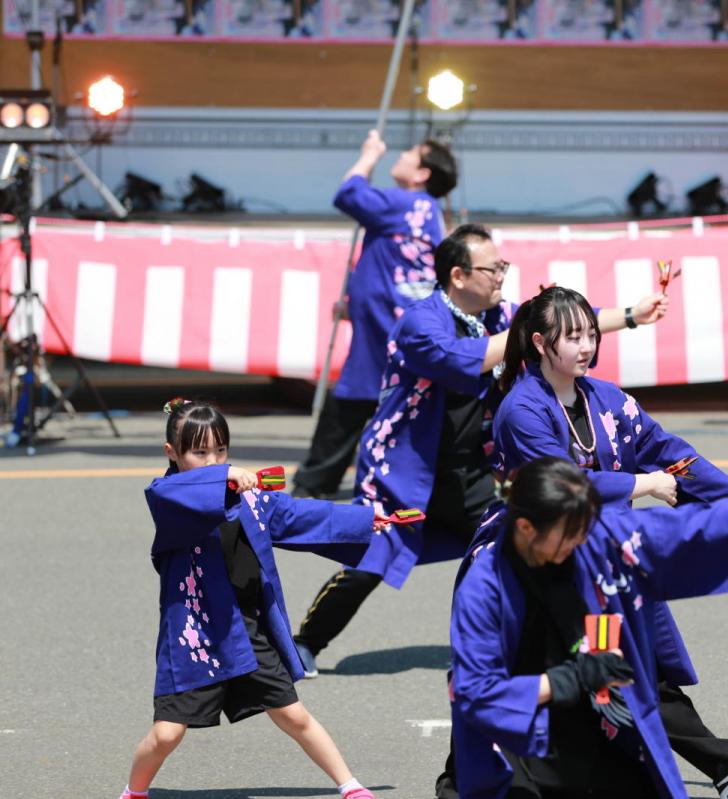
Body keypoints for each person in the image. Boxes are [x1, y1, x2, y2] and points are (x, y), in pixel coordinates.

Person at [293, 225, 669, 676]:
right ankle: (305, 642)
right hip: (405, 471)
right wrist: (527, 332)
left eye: (503, 267)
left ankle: (536, 645)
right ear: (458, 275)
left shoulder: (498, 316)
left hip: (471, 471)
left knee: (515, 544)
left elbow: (559, 325)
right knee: (374, 559)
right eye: (493, 268)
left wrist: (631, 314)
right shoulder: (420, 322)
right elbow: (462, 358)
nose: (501, 277)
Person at [492, 286, 728, 799]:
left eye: (590, 334)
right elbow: (559, 483)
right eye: (571, 336)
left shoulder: (605, 397)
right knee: (592, 669)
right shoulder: (522, 410)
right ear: (538, 342)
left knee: (620, 664)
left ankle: (722, 762)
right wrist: (642, 484)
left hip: (600, 557)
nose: (585, 346)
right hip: (540, 563)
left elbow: (668, 451)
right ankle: (722, 761)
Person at [450, 456, 728, 799]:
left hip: (602, 717)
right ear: (525, 529)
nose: (581, 539)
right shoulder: (484, 584)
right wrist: (565, 681)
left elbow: (693, 529)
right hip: (519, 731)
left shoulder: (597, 536)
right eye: (569, 534)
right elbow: (476, 691)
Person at [120, 399, 395, 799]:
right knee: (166, 733)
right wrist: (227, 474)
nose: (213, 460)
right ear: (172, 454)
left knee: (292, 713)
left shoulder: (250, 498)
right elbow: (172, 491)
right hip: (193, 633)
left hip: (244, 628)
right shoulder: (169, 497)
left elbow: (304, 516)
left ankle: (350, 786)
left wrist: (365, 520)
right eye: (199, 452)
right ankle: (134, 792)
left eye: (221, 451)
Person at [293, 129, 458, 500]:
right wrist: (358, 300)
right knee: (396, 398)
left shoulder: (406, 203)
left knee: (355, 395)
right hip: (394, 316)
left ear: (422, 174)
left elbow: (348, 193)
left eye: (412, 153)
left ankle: (314, 482)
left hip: (388, 323)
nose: (401, 155)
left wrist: (369, 155)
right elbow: (392, 262)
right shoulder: (425, 211)